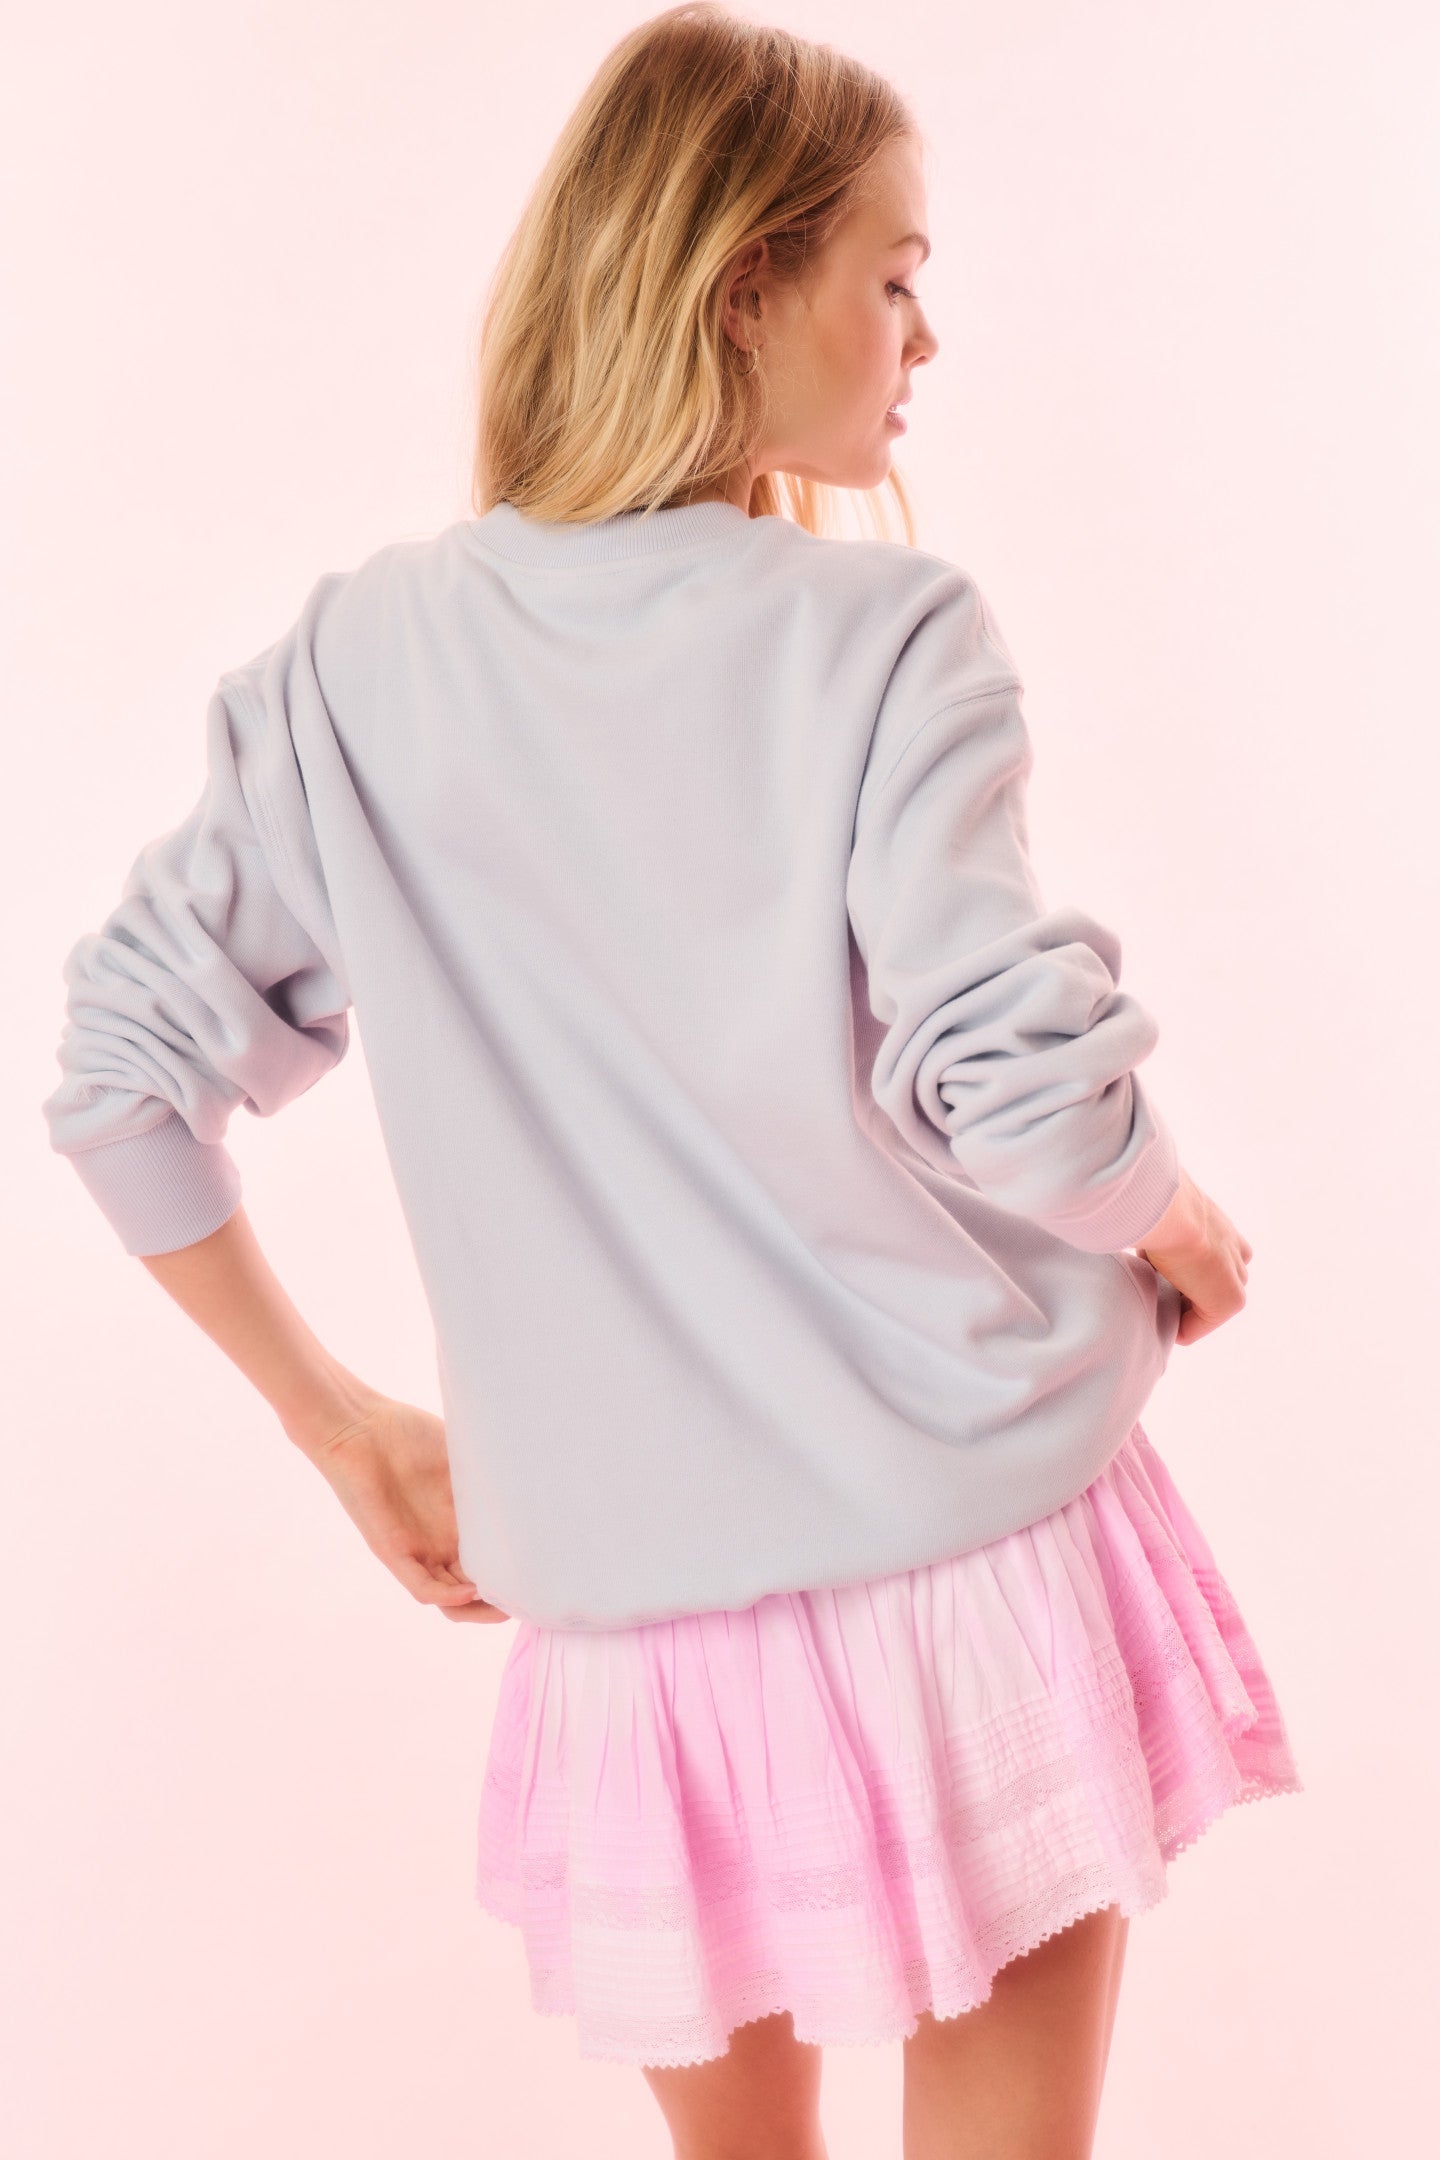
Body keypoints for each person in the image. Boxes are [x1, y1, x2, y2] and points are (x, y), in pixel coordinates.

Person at [39, 6, 1303, 2155]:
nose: (924, 337)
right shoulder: (885, 636)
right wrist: (1166, 1210)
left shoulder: (359, 667)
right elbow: (1016, 1084)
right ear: (743, 284)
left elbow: (118, 1081)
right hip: (968, 1554)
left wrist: (339, 1427)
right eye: (894, 276)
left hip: (643, 1654)